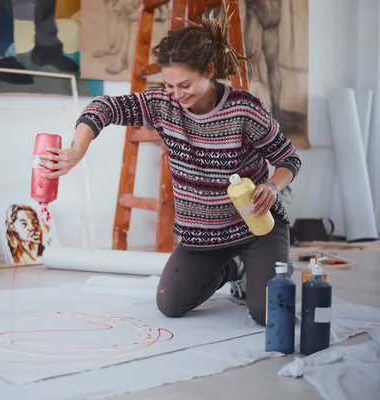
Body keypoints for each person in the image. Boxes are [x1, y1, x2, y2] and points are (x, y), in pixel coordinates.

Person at [37, 7, 301, 327]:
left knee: (267, 314)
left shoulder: (244, 109)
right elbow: (103, 107)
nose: (176, 95)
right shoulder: (162, 104)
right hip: (201, 236)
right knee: (171, 304)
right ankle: (235, 269)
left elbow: (289, 158)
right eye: (169, 85)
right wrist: (78, 150)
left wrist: (272, 186)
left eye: (184, 85)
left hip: (257, 228)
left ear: (208, 70)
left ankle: (253, 266)